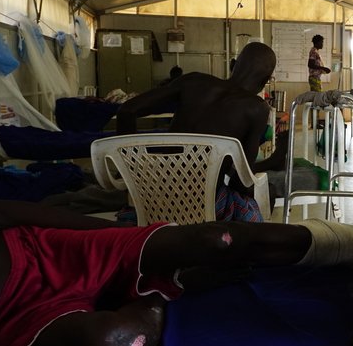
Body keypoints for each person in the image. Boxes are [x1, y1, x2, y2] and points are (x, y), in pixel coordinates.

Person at [0, 196, 353, 346]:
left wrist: (122, 236)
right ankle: (162, 289)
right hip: (15, 319)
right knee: (120, 344)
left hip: (39, 250)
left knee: (217, 240)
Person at [116, 42, 279, 218]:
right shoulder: (257, 109)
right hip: (203, 203)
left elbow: (126, 110)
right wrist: (271, 170)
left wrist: (128, 168)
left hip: (153, 196)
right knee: (260, 198)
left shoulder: (193, 81)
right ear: (266, 81)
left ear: (233, 65)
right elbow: (241, 180)